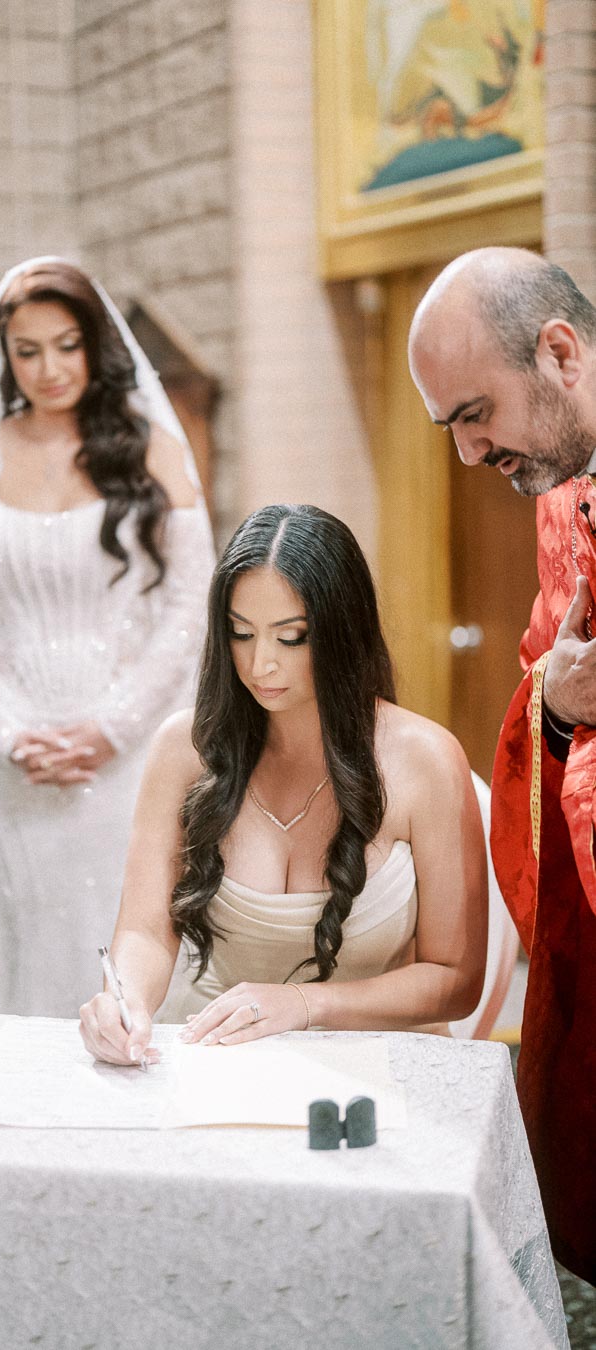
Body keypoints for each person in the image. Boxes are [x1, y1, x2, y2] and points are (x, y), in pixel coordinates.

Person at [0, 257, 215, 1016]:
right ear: (6, 356)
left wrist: (112, 726)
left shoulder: (151, 446)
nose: (49, 368)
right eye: (29, 349)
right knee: (27, 944)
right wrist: (12, 732)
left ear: (95, 345)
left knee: (124, 935)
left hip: (127, 753)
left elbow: (190, 603)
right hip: (10, 759)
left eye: (67, 344)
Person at [80, 504, 487, 1067]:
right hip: (222, 1058)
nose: (260, 665)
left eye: (291, 637)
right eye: (240, 634)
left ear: (344, 630)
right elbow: (148, 932)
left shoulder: (426, 762)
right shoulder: (184, 750)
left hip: (384, 1067)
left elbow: (455, 980)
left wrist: (304, 1004)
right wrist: (122, 1001)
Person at [408, 245, 596, 1284]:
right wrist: (559, 713)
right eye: (451, 429)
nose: (472, 452)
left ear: (560, 352)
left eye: (476, 414)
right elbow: (542, 694)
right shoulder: (563, 502)